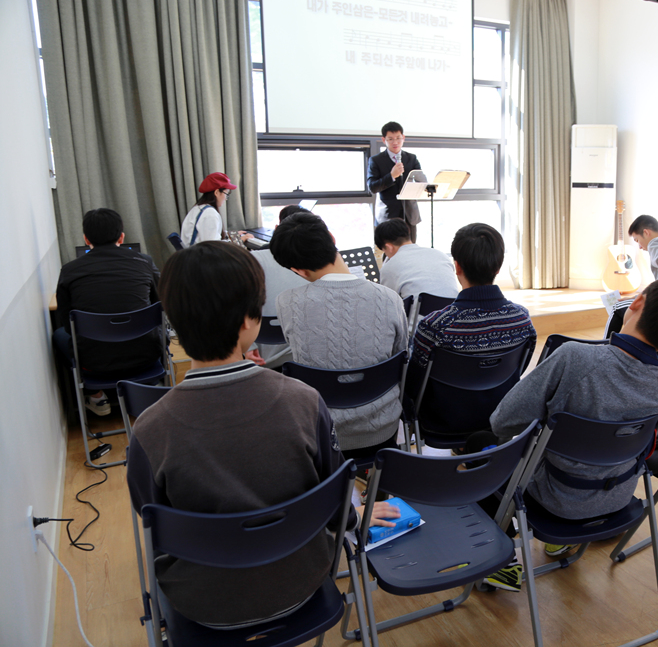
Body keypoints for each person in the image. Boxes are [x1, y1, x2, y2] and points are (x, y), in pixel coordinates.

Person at [126, 241, 399, 628]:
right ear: (248, 321)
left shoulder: (150, 428)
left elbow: (150, 516)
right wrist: (356, 517)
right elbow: (335, 490)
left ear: (173, 325)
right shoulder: (304, 401)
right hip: (305, 582)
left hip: (204, 605)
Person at [482, 275, 658, 591]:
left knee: (483, 445)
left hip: (554, 498)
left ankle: (496, 559)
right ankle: (559, 542)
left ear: (637, 302)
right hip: (616, 499)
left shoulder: (574, 357)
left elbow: (502, 422)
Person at [270, 212, 408, 461]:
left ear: (297, 270)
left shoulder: (287, 302)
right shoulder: (390, 299)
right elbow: (401, 357)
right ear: (332, 238)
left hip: (320, 434)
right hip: (383, 428)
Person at [407, 223, 536, 438]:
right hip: (499, 417)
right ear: (498, 267)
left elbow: (413, 385)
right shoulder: (521, 319)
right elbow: (518, 370)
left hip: (443, 423)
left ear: (457, 267)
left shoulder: (434, 326)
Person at [54, 208, 162, 416]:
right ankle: (149, 386)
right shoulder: (144, 262)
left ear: (86, 239)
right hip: (146, 356)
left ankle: (97, 397)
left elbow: (68, 323)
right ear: (121, 237)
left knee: (60, 334)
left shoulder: (69, 270)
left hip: (94, 364)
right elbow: (161, 305)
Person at [247, 205, 309, 369]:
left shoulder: (252, 259)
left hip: (263, 355)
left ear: (277, 229)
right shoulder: (317, 262)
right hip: (309, 358)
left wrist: (248, 346)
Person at [374, 217, 458, 321]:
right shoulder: (441, 255)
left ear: (389, 247)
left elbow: (387, 304)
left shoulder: (390, 266)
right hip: (451, 321)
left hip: (417, 327)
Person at [367, 122, 423, 243]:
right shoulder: (376, 160)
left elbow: (421, 181)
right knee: (390, 249)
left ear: (403, 138)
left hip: (409, 214)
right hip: (388, 216)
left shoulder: (411, 158)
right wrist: (391, 176)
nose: (395, 142)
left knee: (411, 249)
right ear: (384, 140)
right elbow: (372, 187)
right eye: (390, 139)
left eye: (398, 138)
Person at [180, 172, 252, 247]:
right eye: (226, 194)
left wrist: (230, 235)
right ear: (217, 192)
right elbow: (214, 247)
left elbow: (206, 235)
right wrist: (239, 240)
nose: (226, 198)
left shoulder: (198, 208)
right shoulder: (210, 214)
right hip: (201, 254)